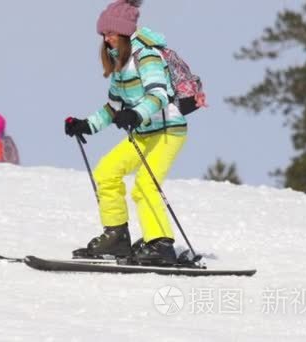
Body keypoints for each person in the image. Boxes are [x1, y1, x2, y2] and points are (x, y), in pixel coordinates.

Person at [64, 0, 188, 265]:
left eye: (110, 33)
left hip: (168, 131)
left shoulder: (147, 56)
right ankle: (117, 237)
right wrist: (86, 124)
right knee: (106, 171)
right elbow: (114, 107)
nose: (106, 39)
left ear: (124, 31)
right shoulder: (119, 62)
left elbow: (160, 94)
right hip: (144, 132)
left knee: (145, 185)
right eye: (104, 34)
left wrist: (136, 113)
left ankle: (160, 244)